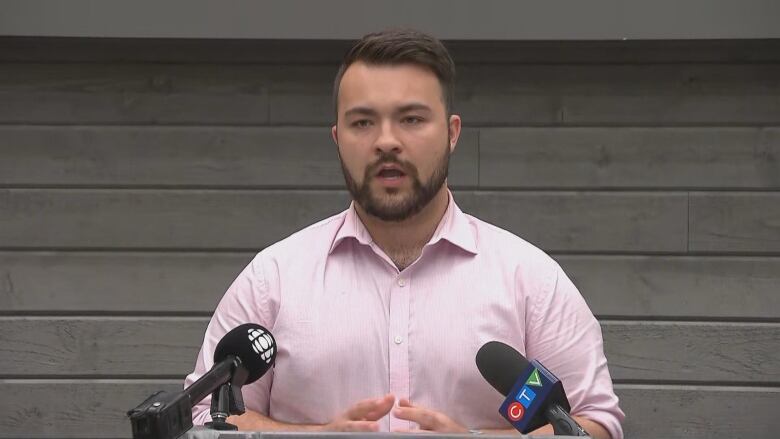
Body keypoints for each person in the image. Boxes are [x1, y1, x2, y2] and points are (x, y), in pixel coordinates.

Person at [185, 29, 624, 439]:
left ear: (452, 134)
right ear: (337, 139)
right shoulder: (272, 280)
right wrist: (313, 438)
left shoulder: (530, 280)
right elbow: (207, 416)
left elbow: (594, 423)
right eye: (362, 123)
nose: (386, 141)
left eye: (411, 119)